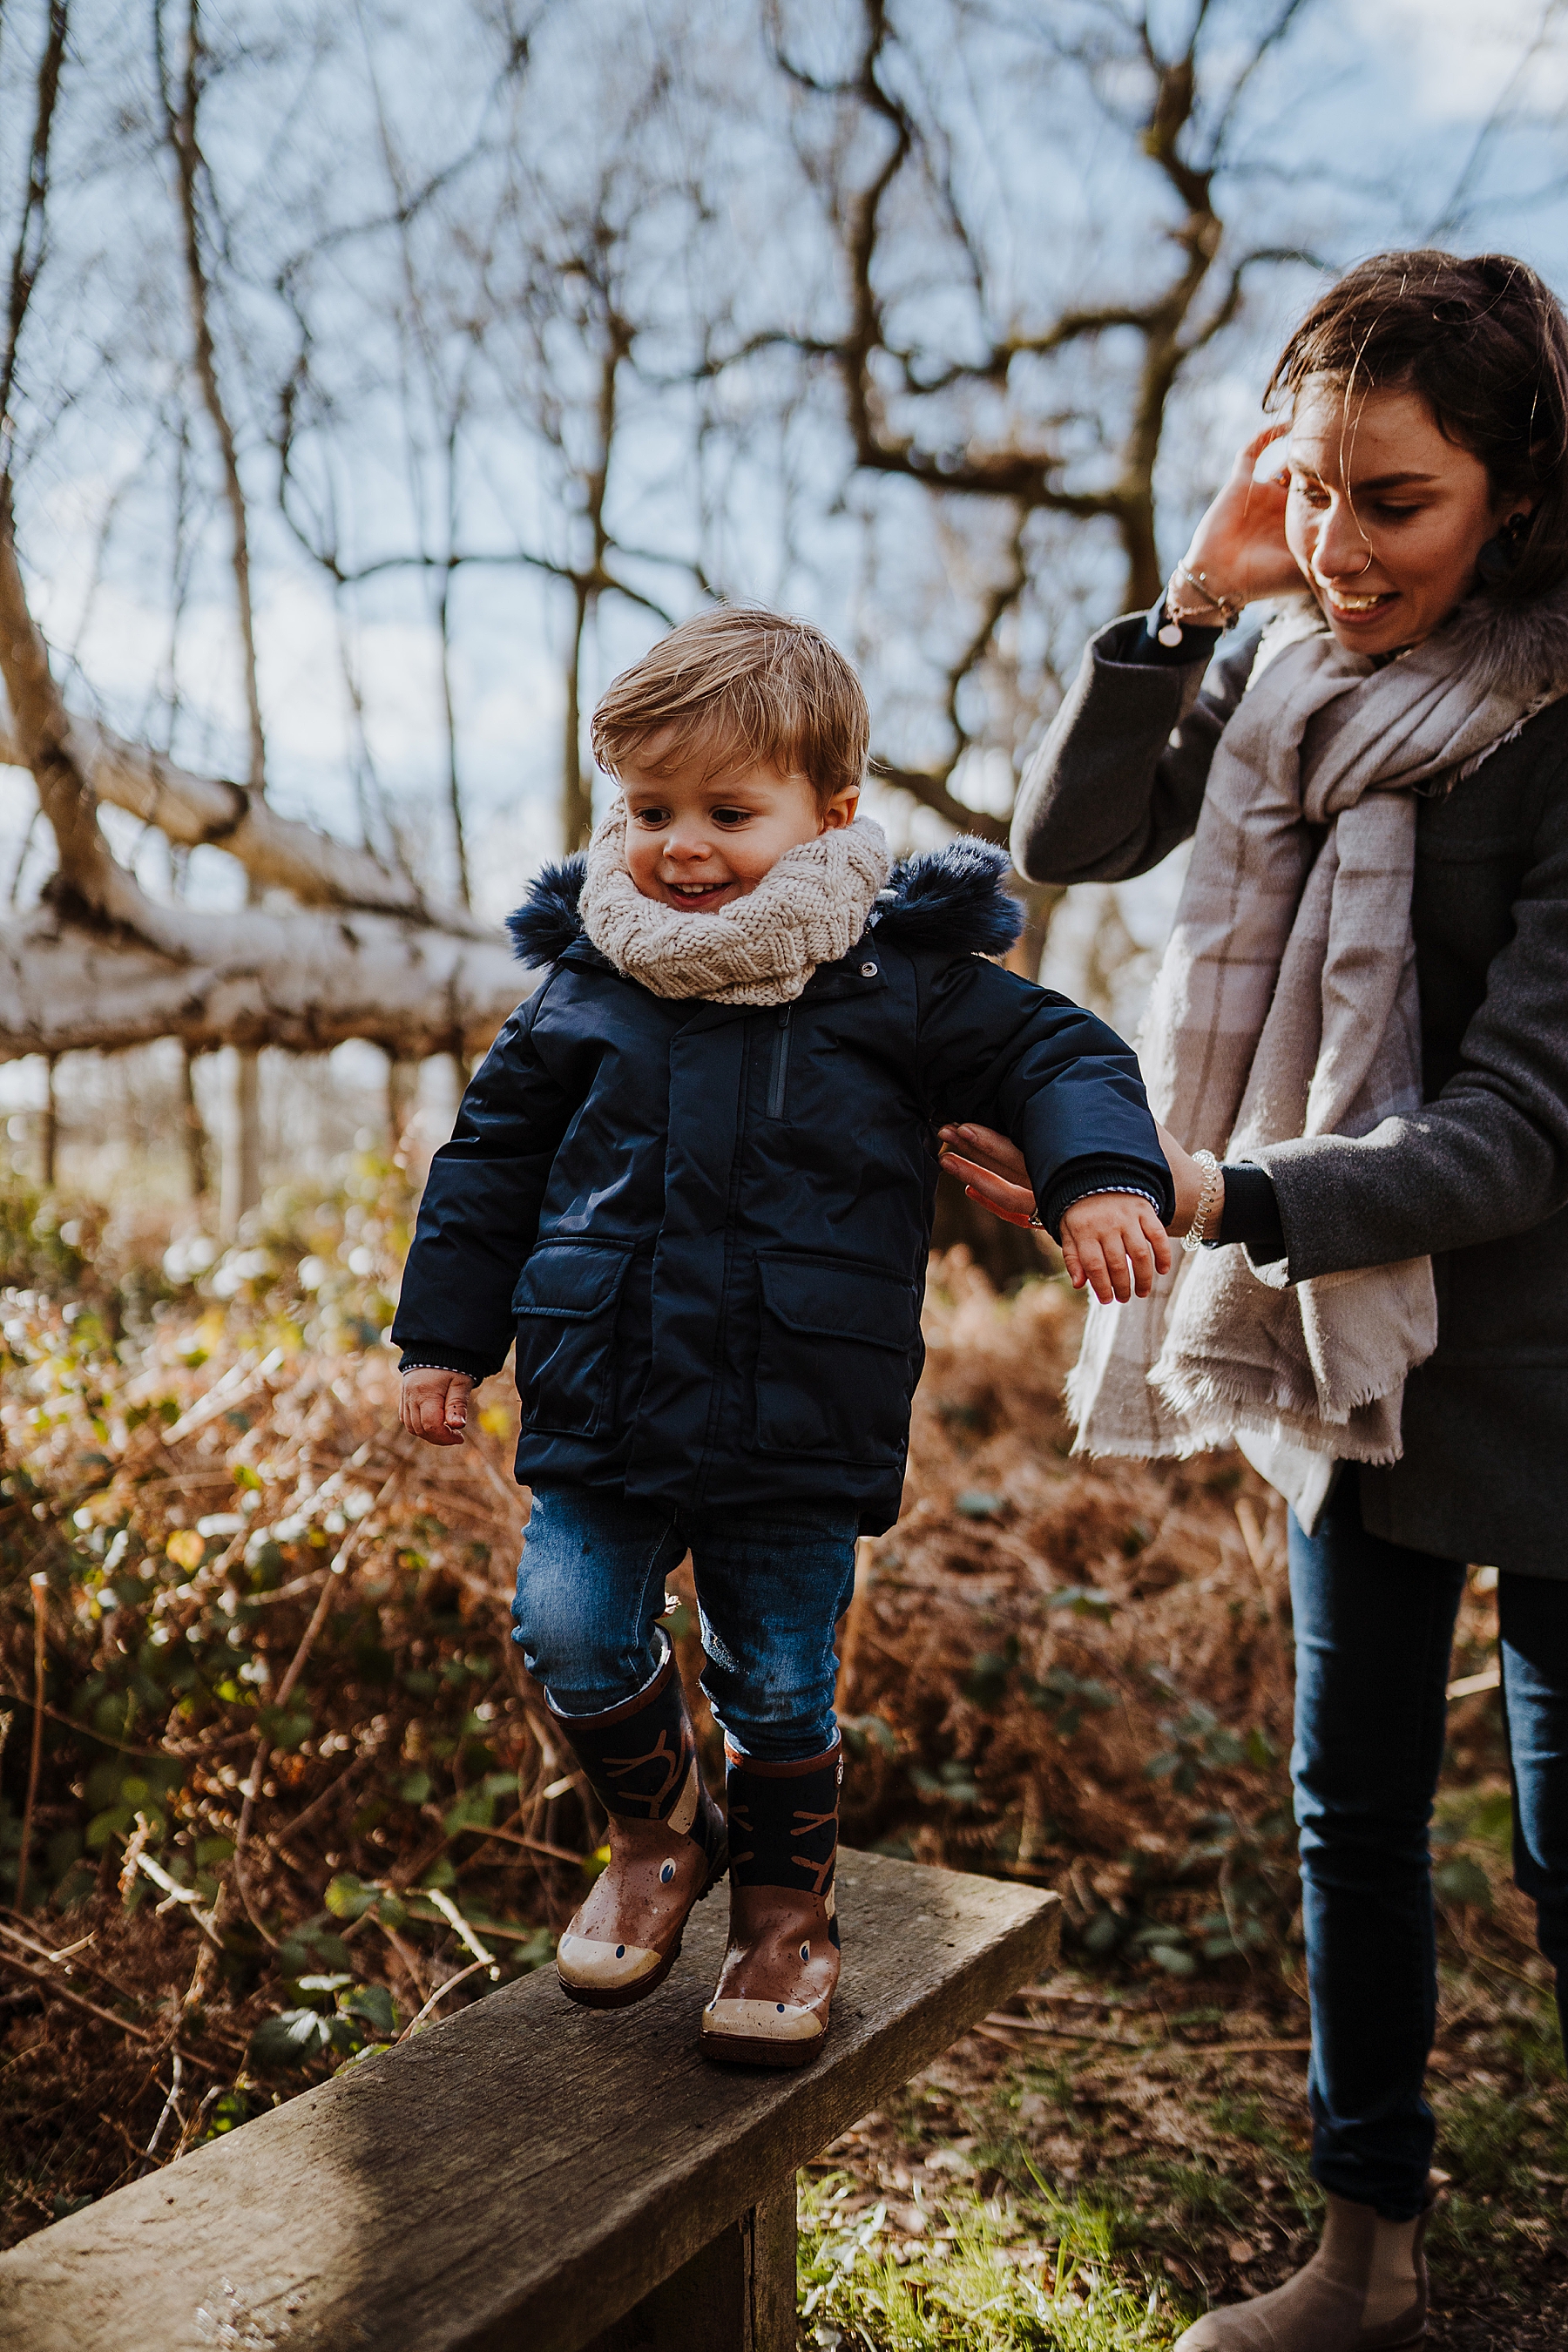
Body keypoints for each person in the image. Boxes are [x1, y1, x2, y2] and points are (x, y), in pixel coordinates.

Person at [943, 251, 1568, 2349]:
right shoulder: (1284, 664)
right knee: (1353, 1814)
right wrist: (1199, 598)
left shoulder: (1557, 712)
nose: (1339, 541)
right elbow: (1071, 829)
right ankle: (1368, 2264)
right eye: (1309, 485)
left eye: (1394, 500)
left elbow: (1519, 1133)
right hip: (1345, 1346)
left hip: (1550, 1354)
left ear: (1521, 492)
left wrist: (1209, 1189)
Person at [389, 605, 1174, 2069]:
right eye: (649, 811)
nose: (681, 846)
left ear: (832, 812)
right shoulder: (585, 988)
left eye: (728, 812)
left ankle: (785, 1916)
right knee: (567, 1624)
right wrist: (444, 1341)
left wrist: (1102, 1177)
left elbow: (1062, 1054)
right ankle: (650, 1834)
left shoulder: (901, 983)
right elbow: (488, 1165)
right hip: (602, 1393)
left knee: (779, 1679)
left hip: (798, 1409)